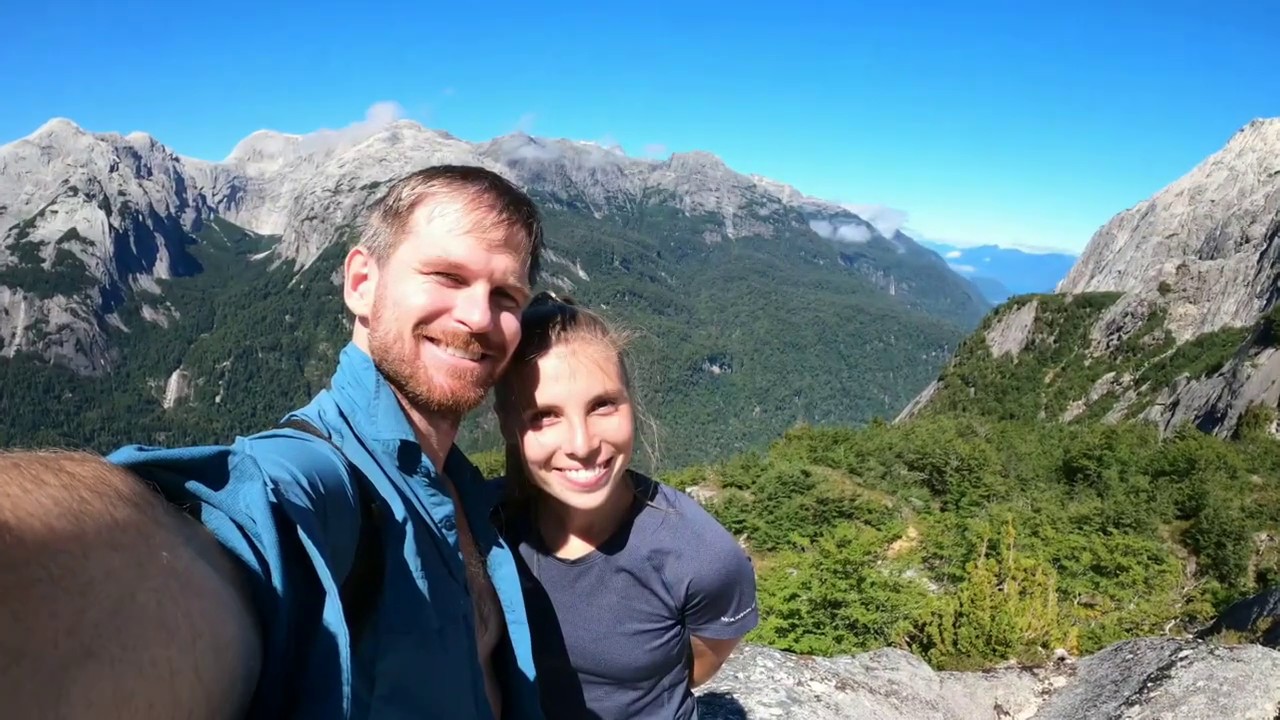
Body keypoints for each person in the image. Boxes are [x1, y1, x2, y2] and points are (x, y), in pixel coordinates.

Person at [0, 165, 549, 720]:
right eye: (447, 276)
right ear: (362, 283)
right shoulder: (323, 479)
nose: (479, 316)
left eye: (506, 294)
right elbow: (227, 523)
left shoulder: (478, 498)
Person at [491, 292, 759, 720]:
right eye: (545, 415)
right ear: (508, 423)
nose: (581, 445)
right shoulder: (486, 524)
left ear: (630, 403)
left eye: (602, 405)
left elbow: (697, 668)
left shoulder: (702, 558)